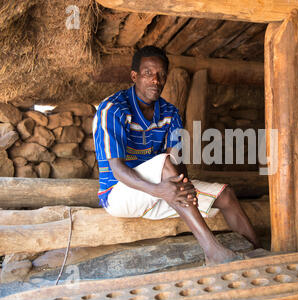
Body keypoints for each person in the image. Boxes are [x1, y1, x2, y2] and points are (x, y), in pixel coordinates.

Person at [93, 46, 261, 265]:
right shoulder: (113, 109)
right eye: (148, 73)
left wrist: (185, 188)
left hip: (163, 191)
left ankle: (259, 254)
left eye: (161, 75)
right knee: (164, 163)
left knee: (226, 194)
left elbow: (177, 161)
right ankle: (212, 251)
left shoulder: (170, 113)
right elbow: (116, 168)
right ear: (134, 76)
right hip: (121, 194)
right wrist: (159, 190)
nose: (156, 80)